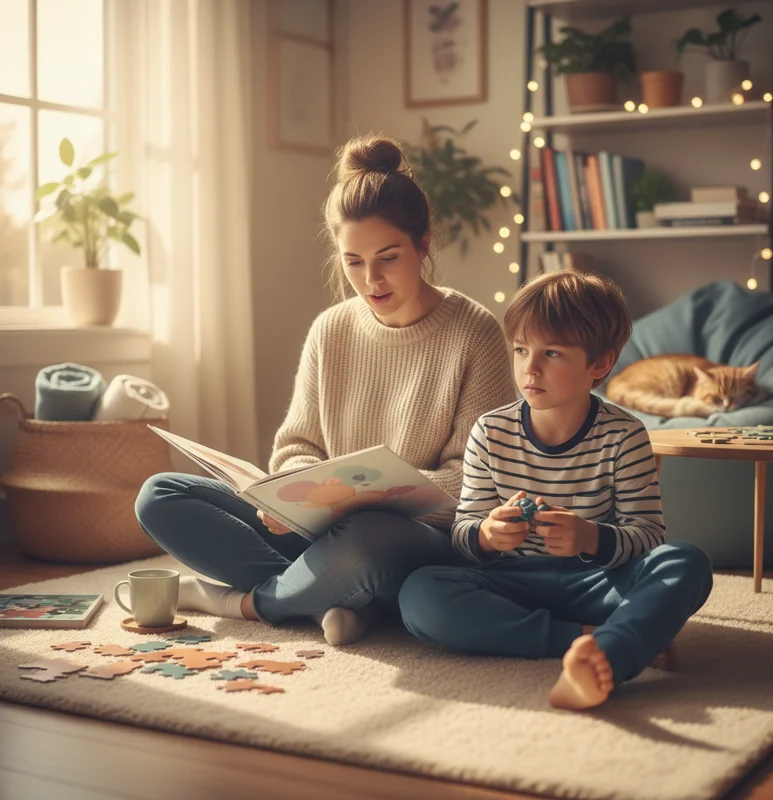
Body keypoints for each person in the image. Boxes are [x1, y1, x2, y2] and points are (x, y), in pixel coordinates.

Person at [135, 135, 518, 646]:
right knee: (160, 494)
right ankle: (330, 600)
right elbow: (298, 446)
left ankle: (248, 602)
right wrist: (290, 495)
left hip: (406, 536)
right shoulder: (331, 329)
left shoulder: (474, 331)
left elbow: (476, 478)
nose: (371, 280)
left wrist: (375, 500)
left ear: (423, 243)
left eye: (388, 257)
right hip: (320, 527)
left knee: (366, 540)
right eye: (353, 261)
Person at [398, 271, 714, 709]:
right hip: (510, 582)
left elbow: (647, 536)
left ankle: (610, 654)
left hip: (597, 583)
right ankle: (594, 642)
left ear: (599, 364)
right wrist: (488, 534)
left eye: (551, 353)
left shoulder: (625, 436)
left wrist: (590, 537)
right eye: (522, 350)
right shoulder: (489, 432)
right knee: (420, 593)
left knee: (686, 562)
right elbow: (464, 530)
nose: (530, 367)